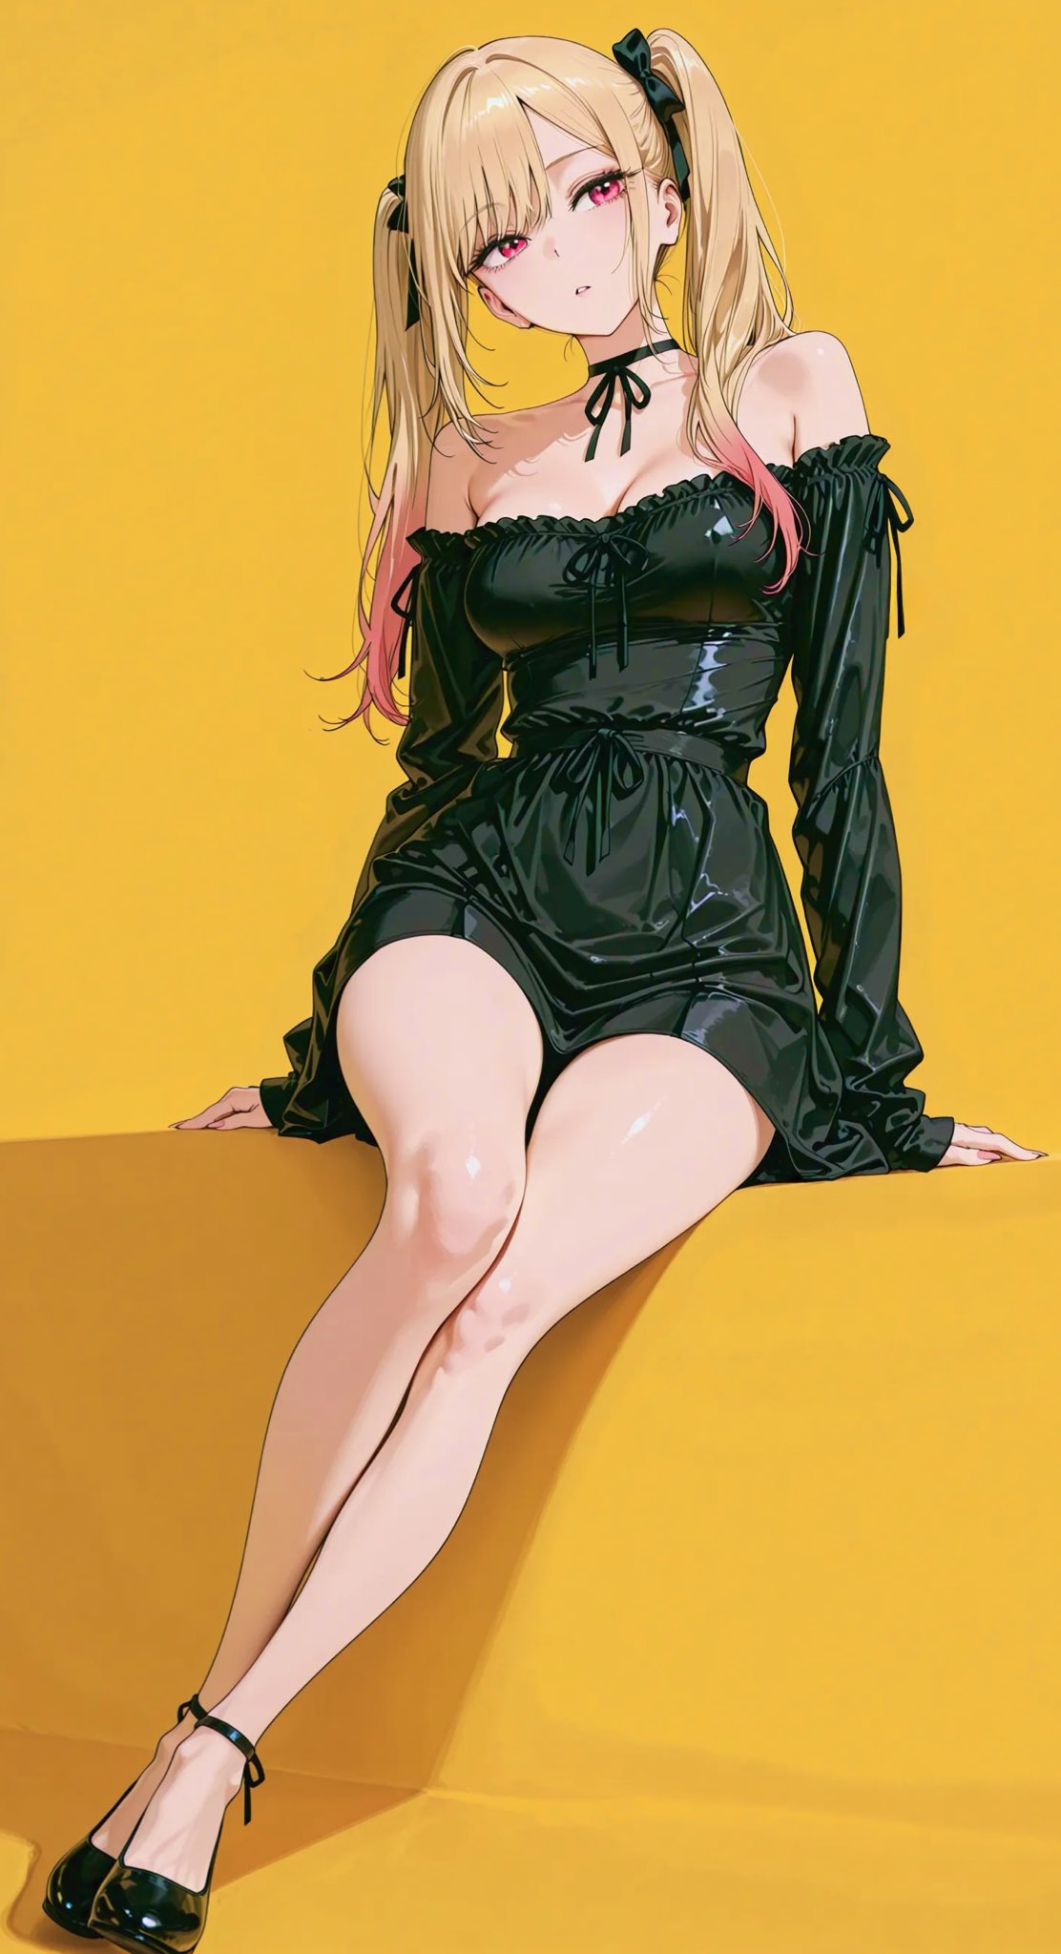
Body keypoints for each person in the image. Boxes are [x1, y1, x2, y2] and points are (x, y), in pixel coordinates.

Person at [44, 26, 1042, 1952]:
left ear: (662, 196)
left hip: (709, 943)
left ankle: (207, 1743)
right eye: (499, 238)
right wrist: (314, 1059)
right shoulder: (464, 458)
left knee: (496, 1305)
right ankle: (207, 1747)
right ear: (463, 273)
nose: (555, 256)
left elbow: (843, 767)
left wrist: (878, 1089)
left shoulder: (794, 390)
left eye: (587, 195)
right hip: (478, 895)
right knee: (449, 1203)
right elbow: (436, 771)